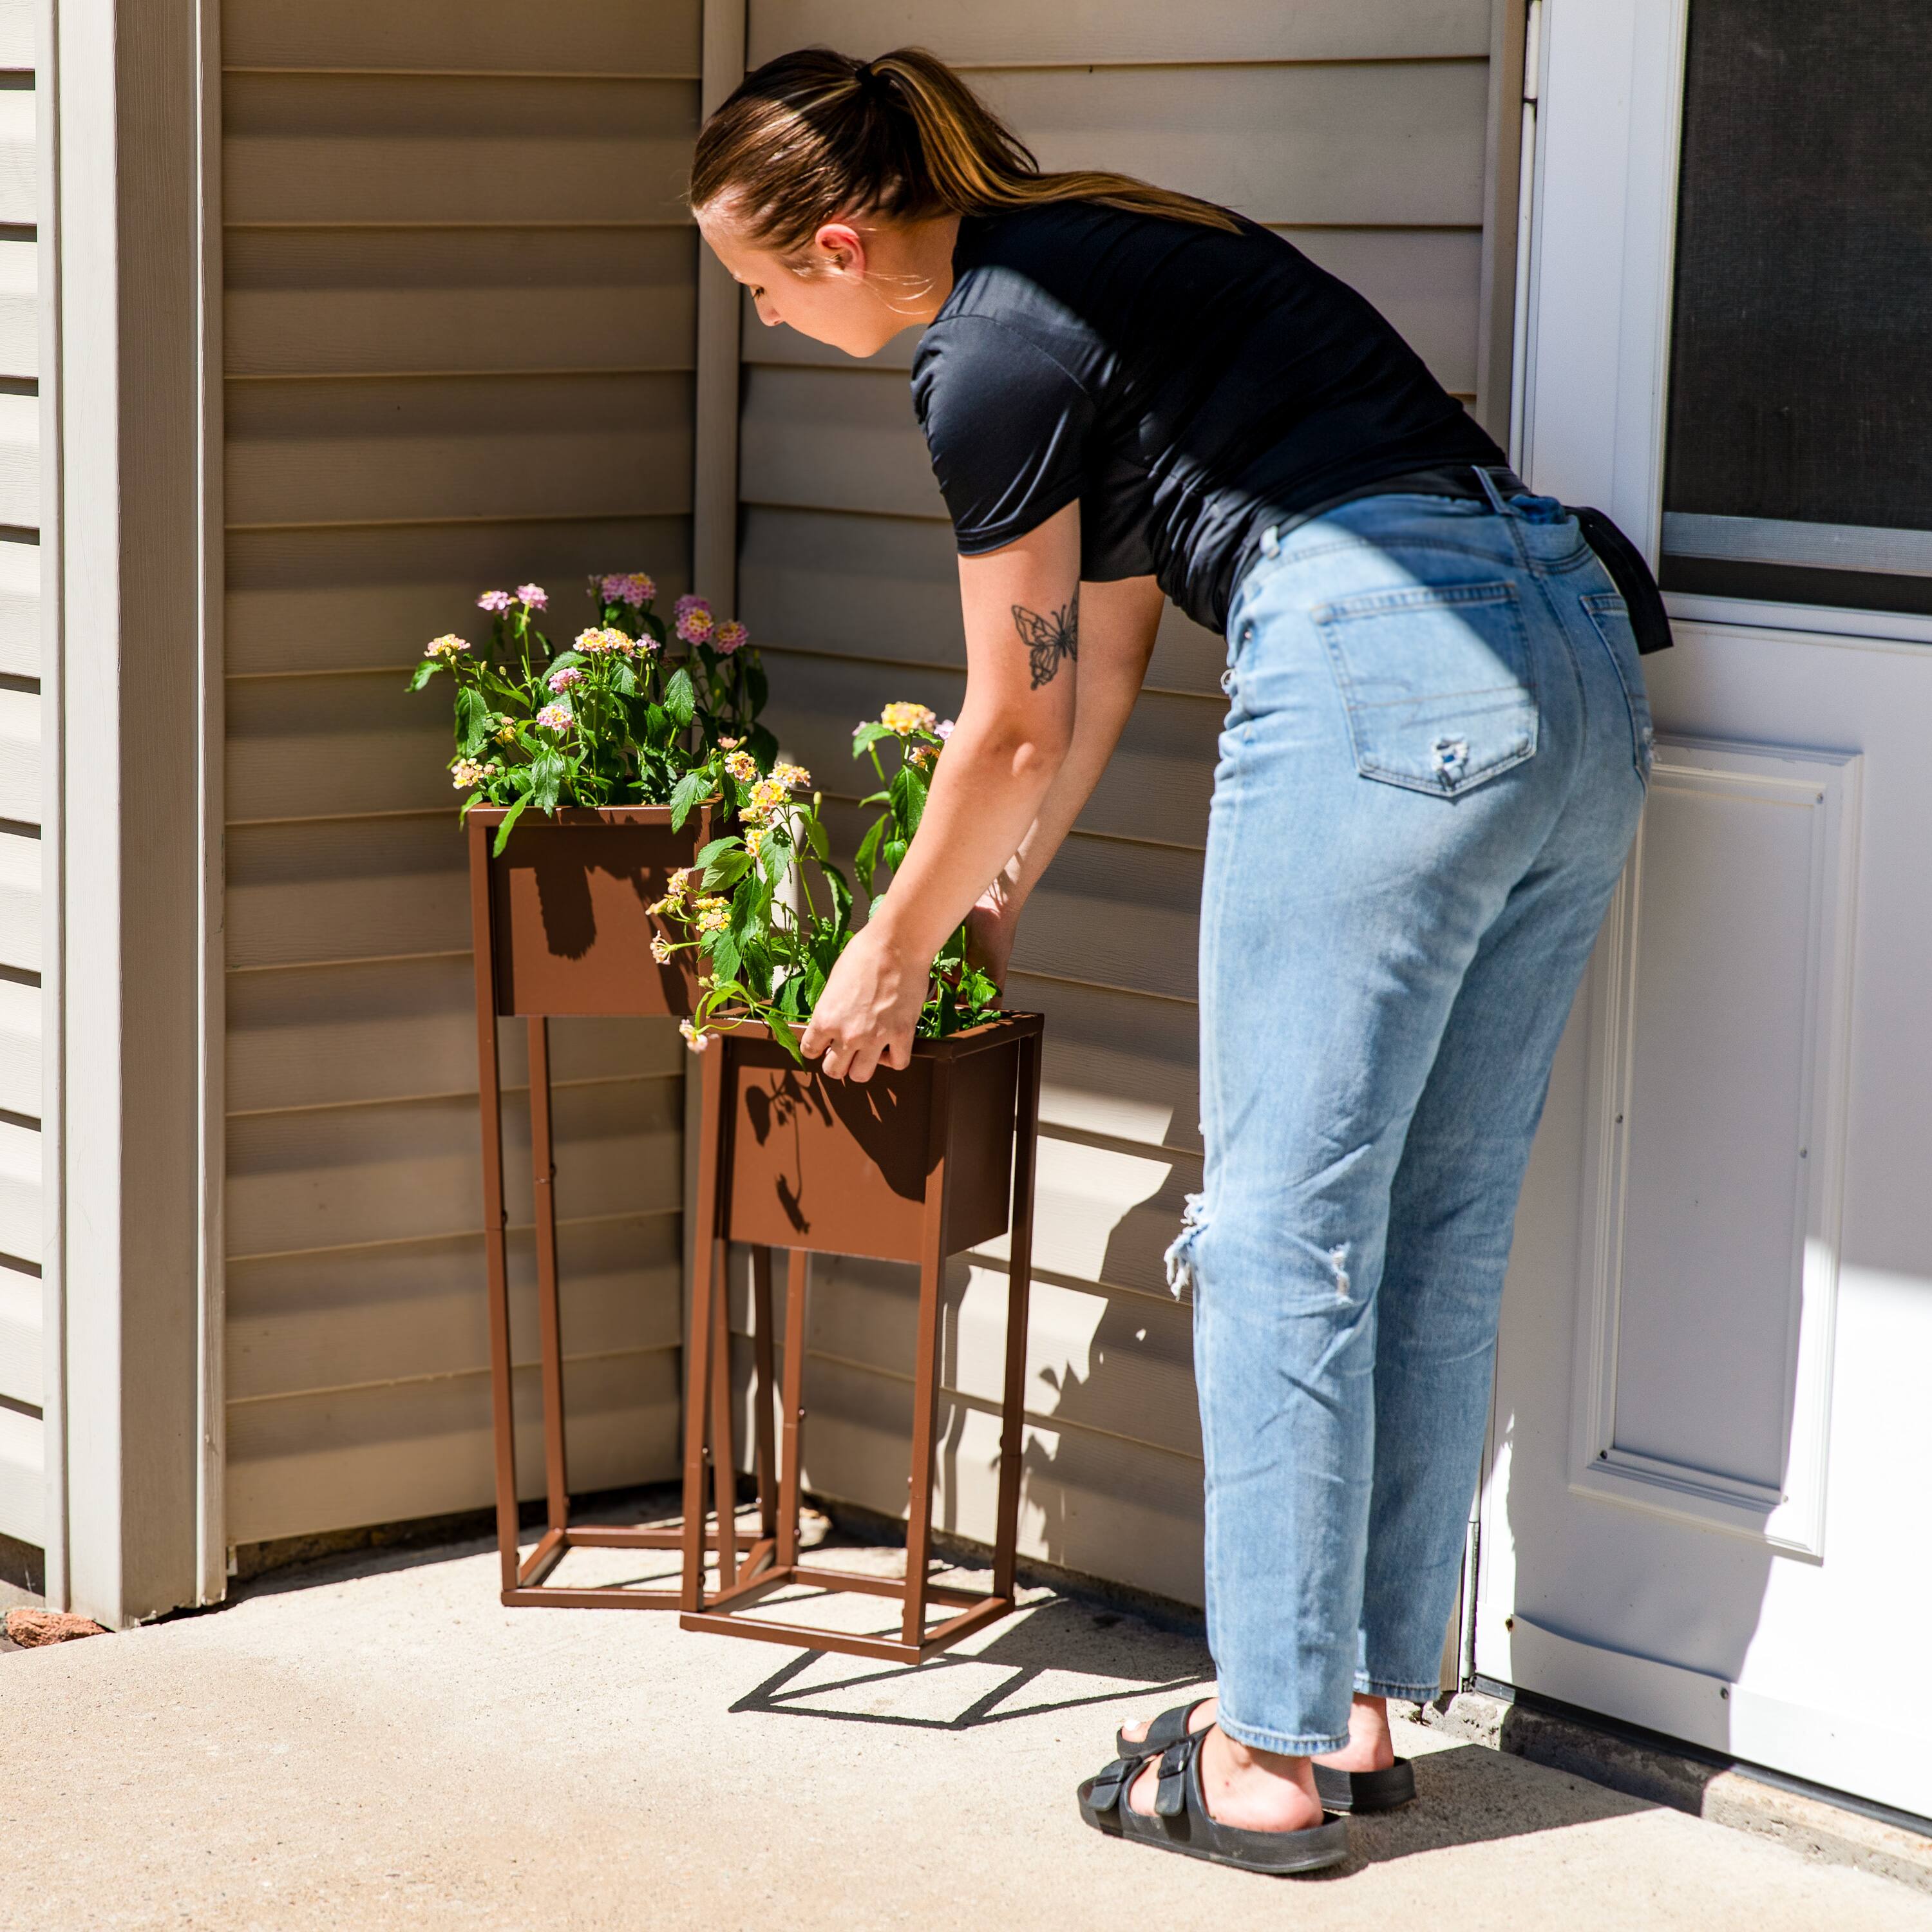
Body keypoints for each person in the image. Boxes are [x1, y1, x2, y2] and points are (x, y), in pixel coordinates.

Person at [690, 47, 1651, 1877]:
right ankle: (1353, 1701)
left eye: (757, 285)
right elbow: (1096, 676)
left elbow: (999, 725)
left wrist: (885, 949)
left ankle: (1265, 1756)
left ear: (835, 241)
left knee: (1281, 1226)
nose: (761, 315)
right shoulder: (1098, 251)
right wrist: (992, 902)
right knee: (1430, 1219)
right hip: (1571, 656)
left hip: (1380, 648)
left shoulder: (983, 349)